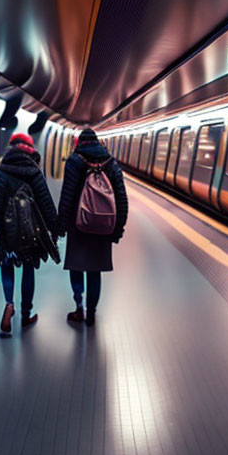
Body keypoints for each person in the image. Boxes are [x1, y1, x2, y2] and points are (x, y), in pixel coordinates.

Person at [55, 128, 128, 327]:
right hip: (104, 225)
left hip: (78, 224)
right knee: (95, 271)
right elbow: (121, 198)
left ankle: (79, 306)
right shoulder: (111, 164)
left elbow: (67, 195)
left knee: (77, 266)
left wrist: (61, 225)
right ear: (98, 143)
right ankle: (92, 312)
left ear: (79, 143)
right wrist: (118, 228)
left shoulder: (74, 161)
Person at [0, 133, 58, 334]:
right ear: (30, 148)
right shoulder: (34, 170)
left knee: (7, 265)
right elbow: (45, 201)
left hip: (8, 231)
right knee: (29, 268)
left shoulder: (4, 168)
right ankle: (26, 314)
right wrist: (55, 226)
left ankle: (9, 305)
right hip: (29, 231)